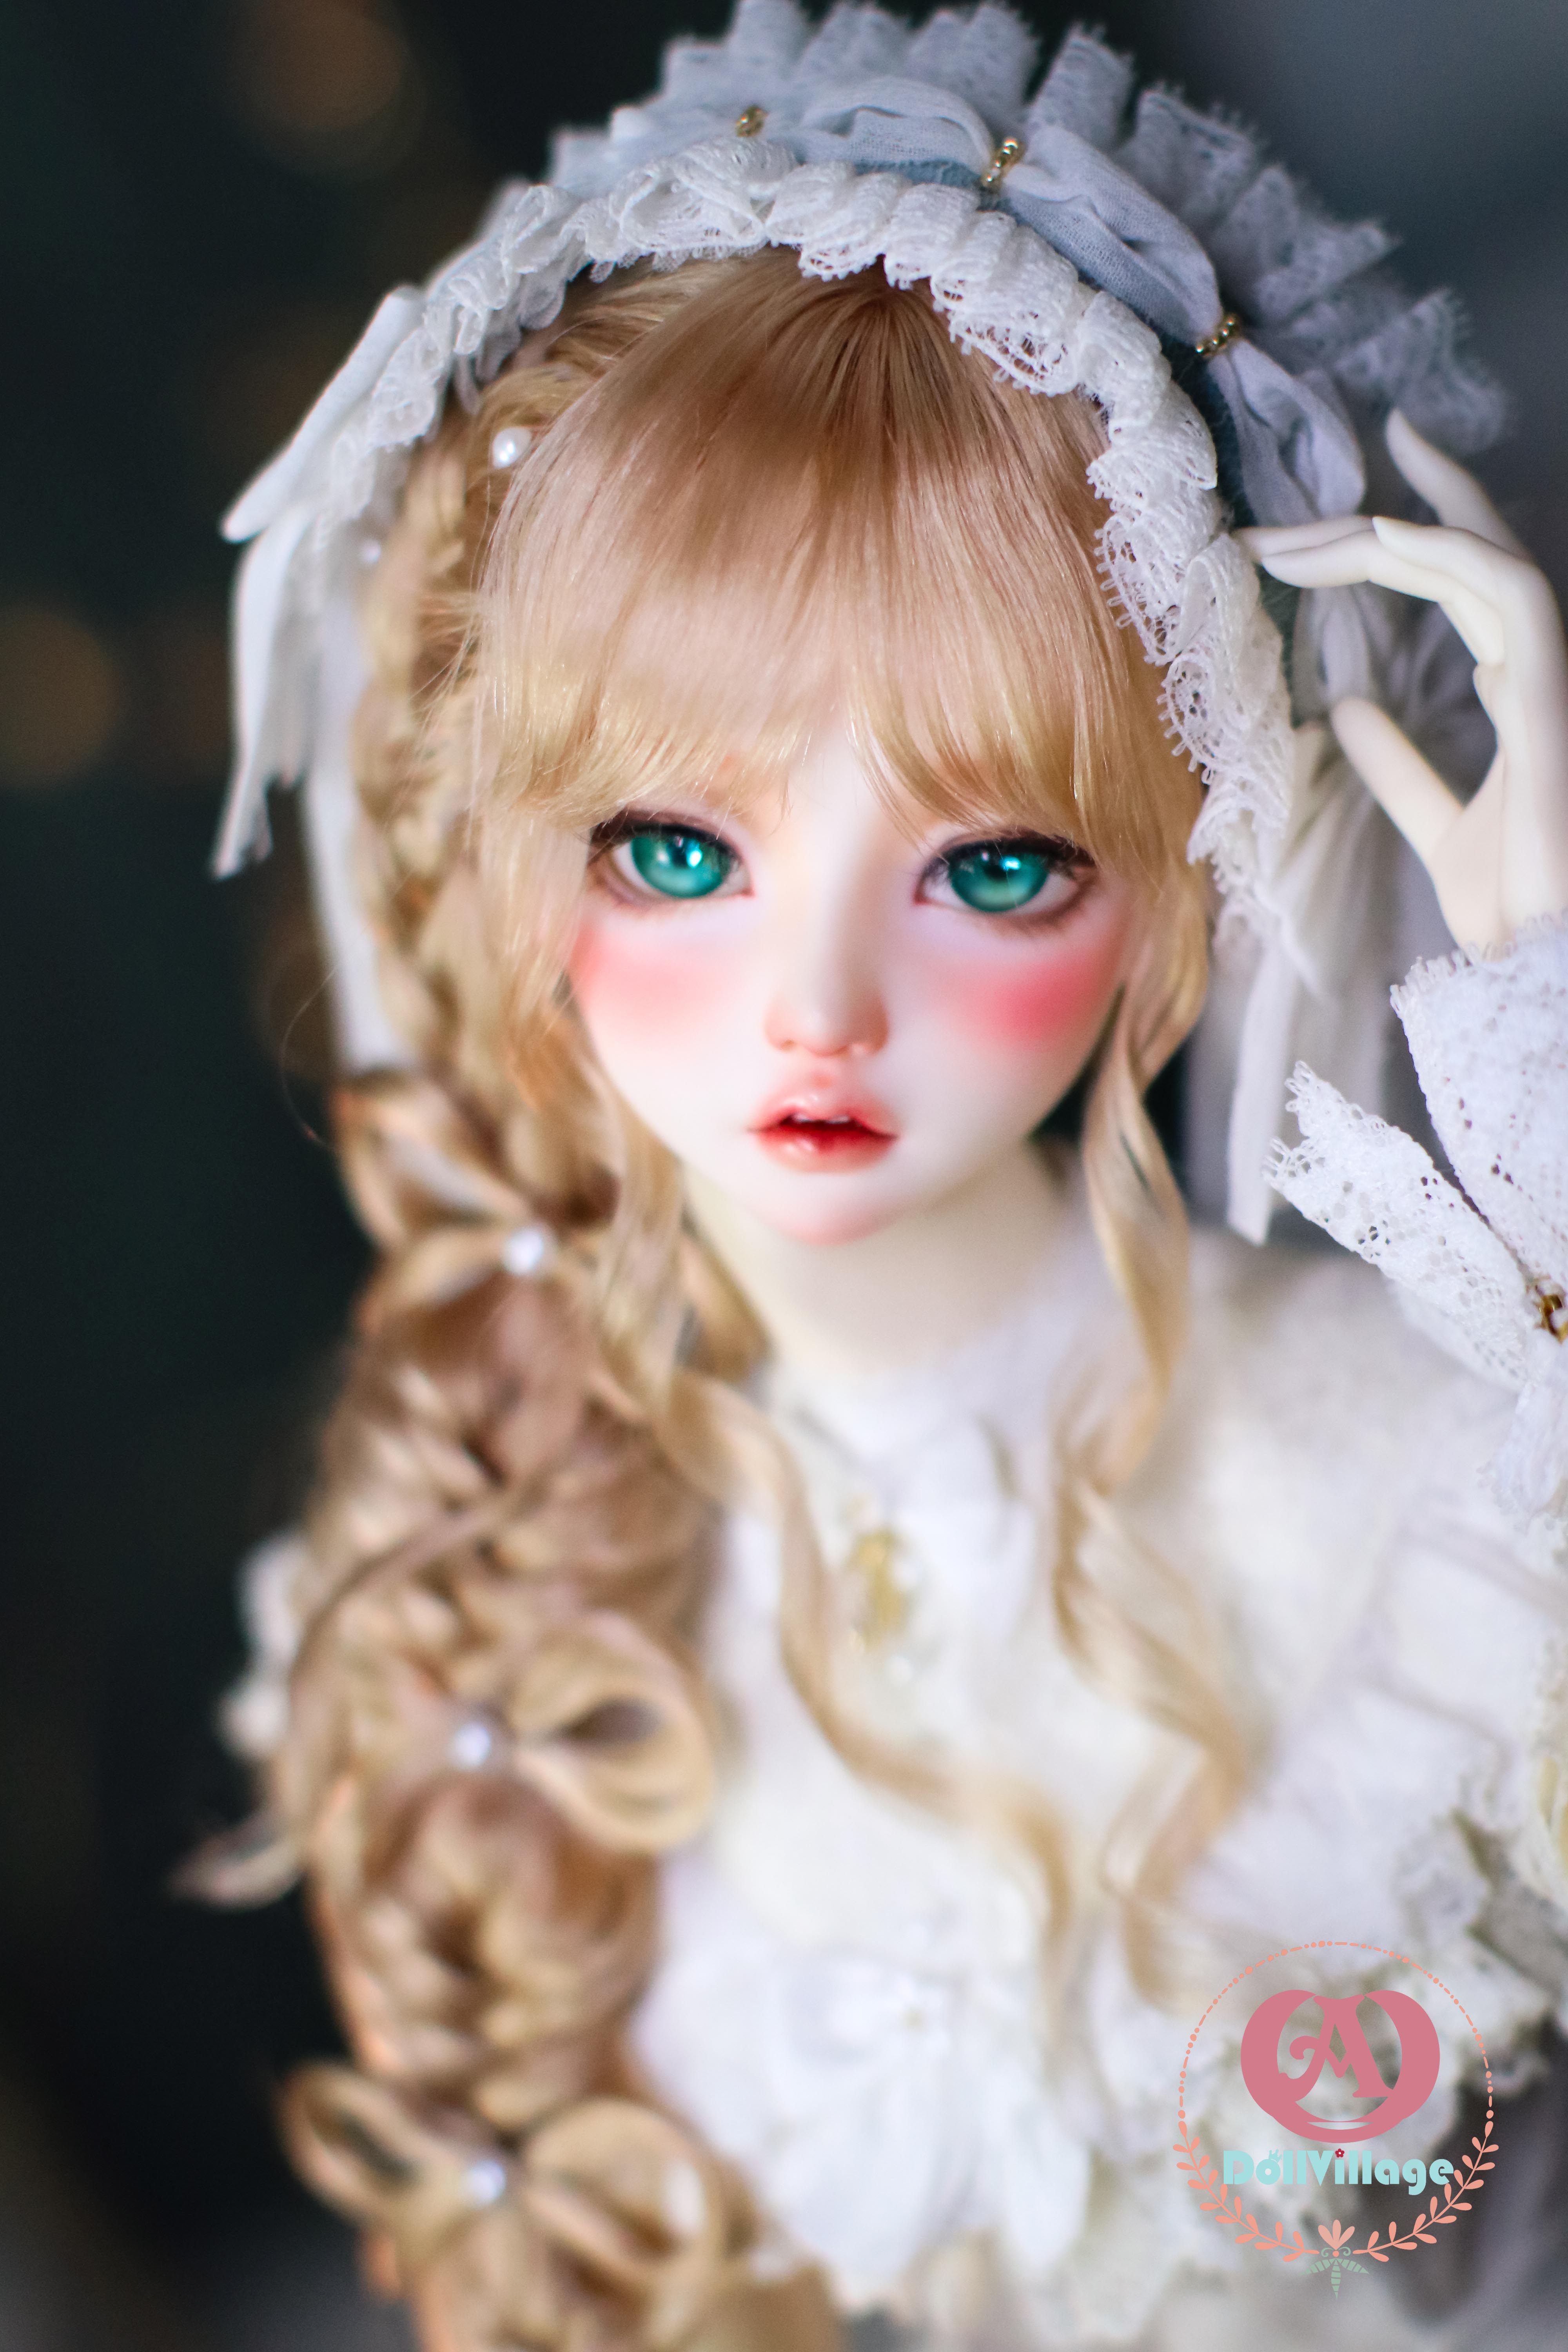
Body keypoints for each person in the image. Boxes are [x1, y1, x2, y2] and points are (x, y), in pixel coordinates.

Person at [200, 6, 1568, 2347]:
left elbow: (1395, 2225)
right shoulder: (493, 1559)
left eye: (997, 867)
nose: (816, 1005)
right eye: (675, 849)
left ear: (1191, 873)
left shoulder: (1418, 1482)